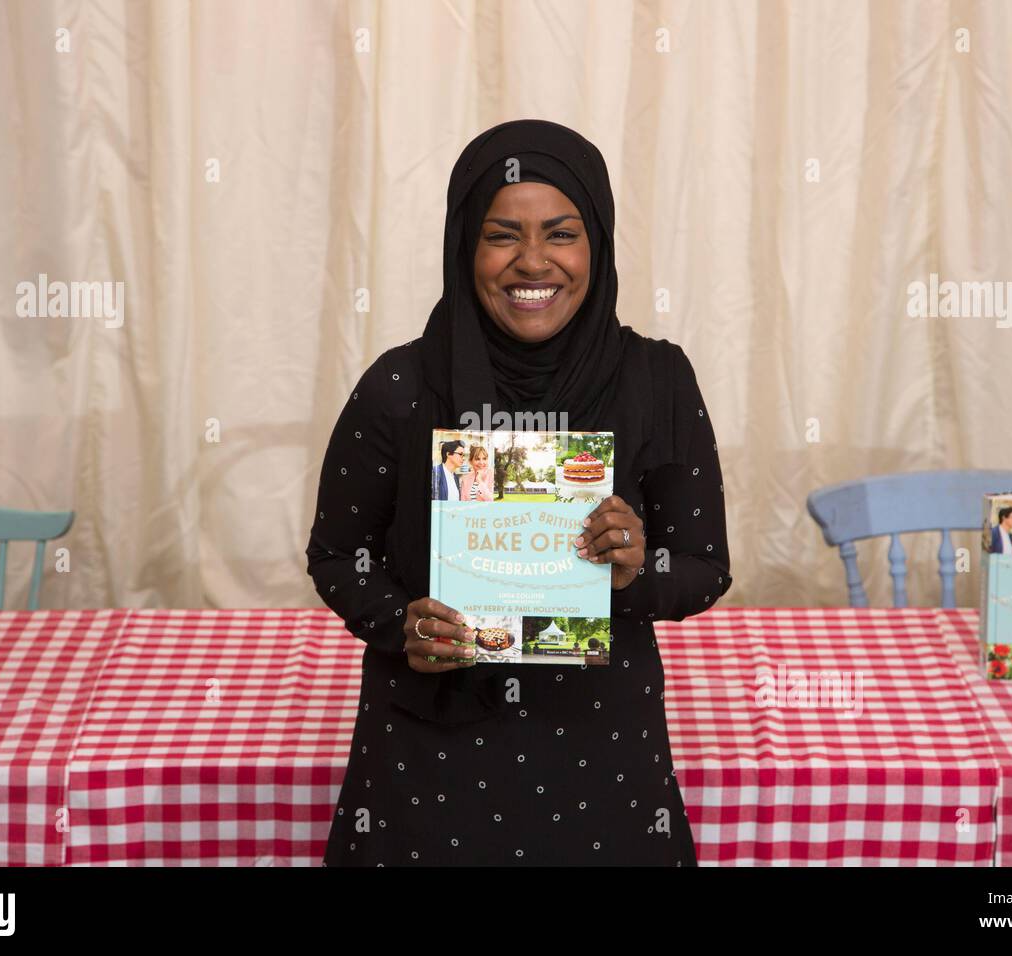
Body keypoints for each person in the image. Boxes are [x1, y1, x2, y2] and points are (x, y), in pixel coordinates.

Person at [305, 118, 731, 866]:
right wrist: (399, 620)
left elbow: (703, 565)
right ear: (464, 245)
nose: (533, 262)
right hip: (427, 756)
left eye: (561, 233)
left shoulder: (656, 381)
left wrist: (633, 571)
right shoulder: (400, 388)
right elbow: (339, 555)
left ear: (595, 243)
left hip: (601, 750)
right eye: (503, 235)